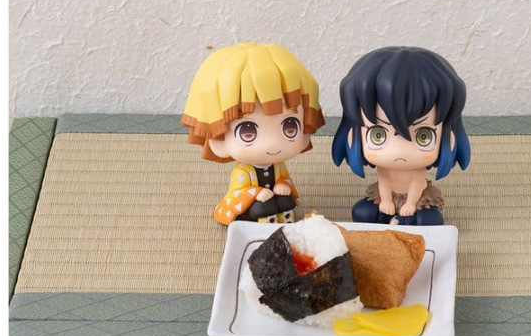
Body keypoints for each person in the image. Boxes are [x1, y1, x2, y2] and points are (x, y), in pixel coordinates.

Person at [182, 43, 324, 224]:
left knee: (286, 201)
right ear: (218, 139)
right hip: (250, 205)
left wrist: (282, 184)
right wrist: (257, 192)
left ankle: (281, 219)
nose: (272, 143)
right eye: (248, 131)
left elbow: (284, 178)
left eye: (290, 126)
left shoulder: (278, 166)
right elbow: (238, 191)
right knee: (261, 207)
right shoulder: (242, 171)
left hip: (274, 200)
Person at [332, 47, 470, 225]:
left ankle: (404, 220)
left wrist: (411, 204)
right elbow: (384, 181)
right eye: (378, 135)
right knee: (362, 213)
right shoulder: (384, 168)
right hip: (386, 196)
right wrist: (386, 201)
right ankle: (389, 218)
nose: (399, 151)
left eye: (423, 136)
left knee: (428, 221)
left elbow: (416, 184)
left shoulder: (417, 170)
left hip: (416, 199)